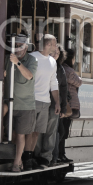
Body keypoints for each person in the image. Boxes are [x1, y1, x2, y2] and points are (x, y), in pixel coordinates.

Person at [1, 34, 37, 172]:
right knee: (12, 134)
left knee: (21, 134)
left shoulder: (32, 60)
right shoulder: (7, 59)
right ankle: (16, 159)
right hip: (9, 103)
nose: (17, 48)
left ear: (26, 47)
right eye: (15, 46)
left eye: (20, 46)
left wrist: (17, 62)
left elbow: (29, 76)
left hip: (25, 105)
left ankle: (16, 162)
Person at [32, 35, 61, 166]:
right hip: (31, 100)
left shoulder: (52, 61)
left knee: (39, 131)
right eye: (55, 44)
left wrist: (57, 102)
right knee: (31, 131)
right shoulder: (32, 57)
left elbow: (53, 83)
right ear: (49, 44)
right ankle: (32, 155)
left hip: (45, 101)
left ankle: (41, 158)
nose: (56, 47)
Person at [59, 48, 82, 162]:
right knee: (63, 131)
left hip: (65, 103)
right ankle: (60, 154)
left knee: (62, 131)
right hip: (69, 104)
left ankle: (61, 154)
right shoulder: (68, 70)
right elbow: (79, 82)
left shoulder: (62, 68)